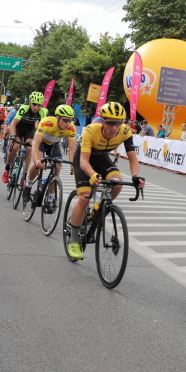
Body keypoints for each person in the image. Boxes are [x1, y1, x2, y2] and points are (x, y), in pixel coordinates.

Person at [66, 102, 144, 260]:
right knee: (84, 197)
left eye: (118, 123)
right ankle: (73, 240)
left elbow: (132, 158)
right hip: (84, 159)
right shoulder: (90, 130)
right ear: (102, 121)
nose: (114, 127)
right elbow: (84, 162)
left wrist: (135, 176)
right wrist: (93, 175)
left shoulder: (126, 131)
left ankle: (99, 210)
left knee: (117, 183)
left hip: (102, 158)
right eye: (110, 123)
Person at [23, 104, 77, 199]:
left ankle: (50, 198)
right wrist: (36, 160)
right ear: (57, 117)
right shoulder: (46, 122)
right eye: (65, 120)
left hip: (54, 145)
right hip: (42, 143)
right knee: (37, 165)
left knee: (57, 167)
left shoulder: (71, 128)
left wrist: (72, 164)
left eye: (70, 120)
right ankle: (28, 185)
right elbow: (36, 143)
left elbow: (72, 148)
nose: (67, 123)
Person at [2, 92, 48, 183]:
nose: (36, 107)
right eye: (34, 104)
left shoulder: (43, 111)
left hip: (30, 130)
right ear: (30, 102)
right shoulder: (24, 108)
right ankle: (7, 169)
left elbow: (42, 127)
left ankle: (24, 177)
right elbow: (13, 123)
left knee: (29, 149)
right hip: (19, 127)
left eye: (39, 105)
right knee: (15, 146)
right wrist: (13, 136)